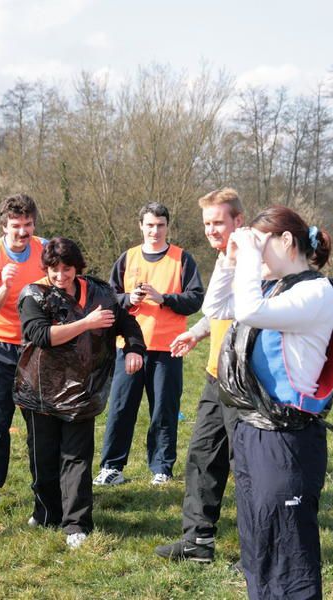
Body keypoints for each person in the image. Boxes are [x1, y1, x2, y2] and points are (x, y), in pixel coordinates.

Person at [202, 205, 333, 599]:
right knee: (259, 541)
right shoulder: (275, 288)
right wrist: (230, 259)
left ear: (287, 241)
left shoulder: (315, 292)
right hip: (254, 430)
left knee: (290, 549)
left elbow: (249, 310)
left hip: (288, 439)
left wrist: (249, 257)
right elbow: (215, 308)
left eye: (261, 245)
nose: (257, 254)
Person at [13, 237, 145, 548]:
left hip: (81, 391)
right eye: (54, 269)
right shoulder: (34, 294)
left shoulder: (98, 292)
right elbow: (40, 335)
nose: (61, 276)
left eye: (67, 269)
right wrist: (86, 323)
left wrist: (135, 348)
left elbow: (127, 322)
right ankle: (46, 512)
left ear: (77, 267)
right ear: (46, 268)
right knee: (43, 459)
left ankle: (76, 525)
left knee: (77, 459)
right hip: (40, 391)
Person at [155, 188, 244, 562]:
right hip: (214, 376)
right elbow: (221, 310)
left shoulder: (253, 261)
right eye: (207, 223)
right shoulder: (226, 256)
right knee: (203, 458)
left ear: (238, 221)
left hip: (246, 386)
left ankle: (255, 550)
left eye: (218, 222)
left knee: (249, 470)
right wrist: (196, 332)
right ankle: (197, 543)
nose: (211, 230)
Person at [94, 202, 204, 486]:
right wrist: (127, 299)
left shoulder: (182, 259)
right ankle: (112, 467)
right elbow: (108, 297)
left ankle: (162, 469)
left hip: (168, 347)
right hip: (129, 347)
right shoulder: (127, 258)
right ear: (140, 226)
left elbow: (195, 300)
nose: (155, 230)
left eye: (161, 225)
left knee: (163, 411)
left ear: (168, 226)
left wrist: (164, 298)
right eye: (150, 225)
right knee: (120, 408)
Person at [0, 193, 47, 511]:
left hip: (34, 346)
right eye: (16, 226)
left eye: (28, 225)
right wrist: (6, 287)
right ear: (5, 225)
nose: (23, 232)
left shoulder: (45, 249)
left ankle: (45, 485)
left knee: (39, 420)